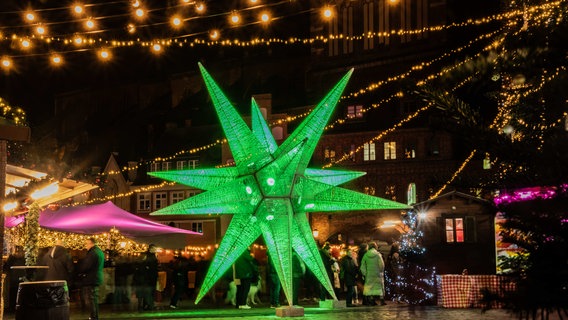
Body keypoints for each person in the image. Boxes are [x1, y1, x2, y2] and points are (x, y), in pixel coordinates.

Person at [77, 237, 105, 320]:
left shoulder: (92, 253)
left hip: (91, 278)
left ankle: (93, 316)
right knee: (94, 299)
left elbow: (86, 266)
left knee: (92, 299)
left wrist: (80, 271)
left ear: (91, 243)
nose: (85, 246)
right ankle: (94, 316)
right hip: (96, 277)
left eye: (87, 243)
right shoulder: (99, 252)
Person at [133, 244, 159, 311]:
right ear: (151, 249)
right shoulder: (150, 257)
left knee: (146, 293)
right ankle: (148, 305)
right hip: (148, 278)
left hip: (148, 278)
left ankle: (145, 305)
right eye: (154, 248)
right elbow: (151, 267)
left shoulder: (151, 256)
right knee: (148, 292)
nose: (155, 250)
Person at [360, 242, 386, 306]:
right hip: (377, 274)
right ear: (375, 247)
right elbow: (382, 265)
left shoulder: (366, 255)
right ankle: (382, 301)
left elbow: (362, 266)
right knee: (379, 288)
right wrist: (381, 272)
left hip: (369, 274)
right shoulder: (378, 255)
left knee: (370, 288)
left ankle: (371, 301)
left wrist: (365, 273)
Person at [3, 246, 25, 313]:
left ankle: (13, 308)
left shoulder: (13, 258)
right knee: (15, 293)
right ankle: (14, 308)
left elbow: (7, 267)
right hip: (16, 279)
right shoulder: (16, 258)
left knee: (15, 293)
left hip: (16, 279)